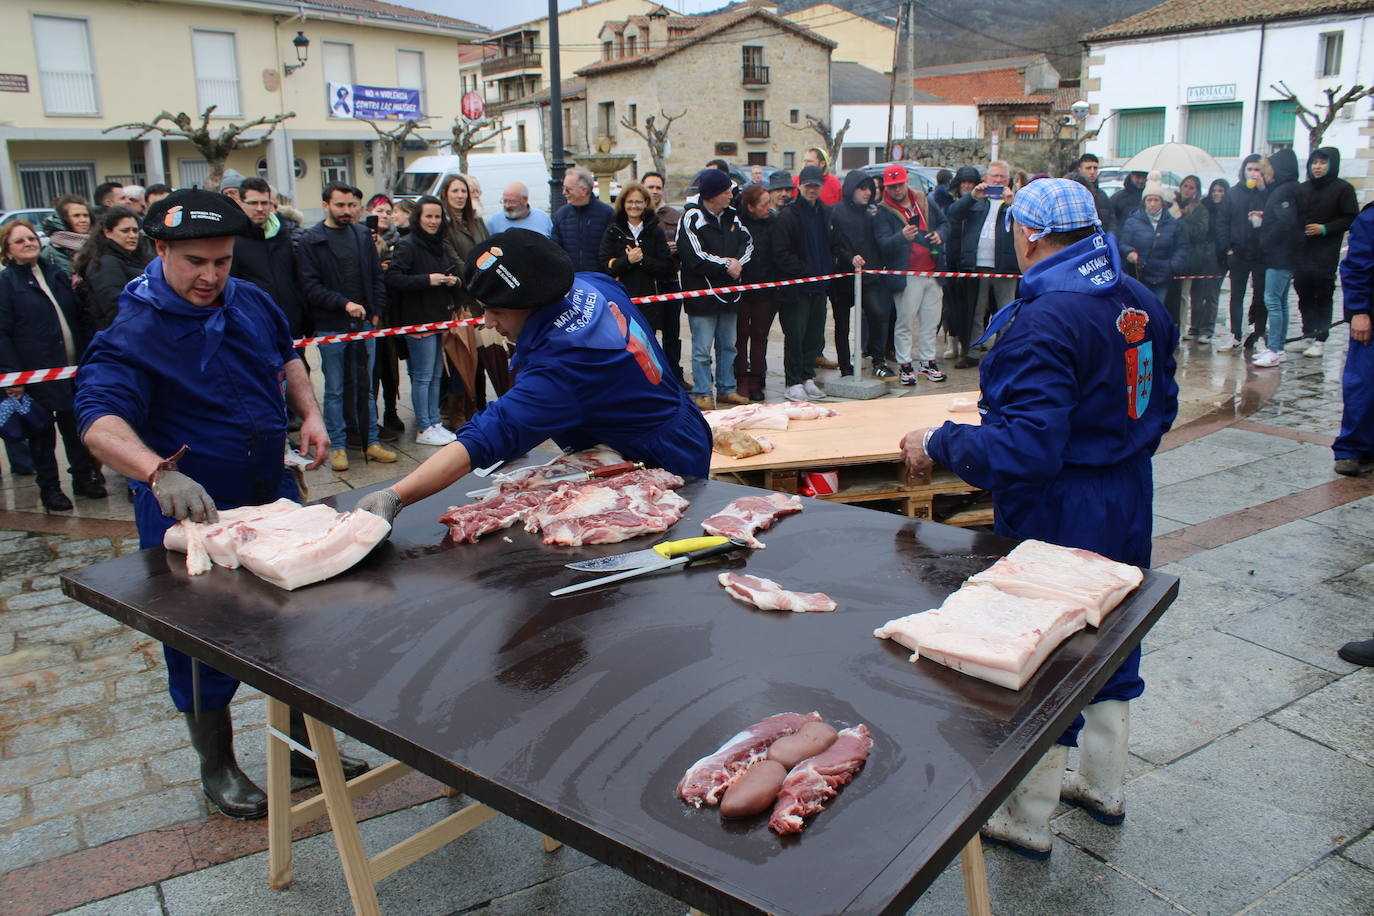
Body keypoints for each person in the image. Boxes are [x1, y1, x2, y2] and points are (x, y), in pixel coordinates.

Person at [900, 178, 1178, 858]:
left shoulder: (1045, 319)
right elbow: (1164, 401)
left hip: (1061, 506)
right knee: (1112, 635)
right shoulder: (1137, 298)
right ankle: (1103, 786)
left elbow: (1025, 450)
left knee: (1044, 649)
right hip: (1127, 489)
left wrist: (939, 442)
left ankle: (1026, 816)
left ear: (1027, 234)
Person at [73, 189, 365, 819]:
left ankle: (300, 749)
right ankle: (218, 764)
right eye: (195, 262)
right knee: (201, 644)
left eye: (222, 261)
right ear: (161, 251)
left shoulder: (250, 298)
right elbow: (98, 422)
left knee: (294, 624)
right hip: (192, 512)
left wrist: (309, 413)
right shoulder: (133, 328)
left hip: (271, 492)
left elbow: (286, 354)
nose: (210, 276)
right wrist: (157, 473)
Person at [356, 229, 712, 524]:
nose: (488, 323)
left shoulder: (566, 368)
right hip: (670, 423)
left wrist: (396, 495)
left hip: (659, 456)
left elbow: (486, 436)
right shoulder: (591, 284)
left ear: (536, 304)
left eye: (497, 312)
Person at [0, 220, 105, 510]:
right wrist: (12, 378)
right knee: (42, 436)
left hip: (70, 369)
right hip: (35, 375)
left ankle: (84, 479)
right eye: (20, 241)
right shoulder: (7, 284)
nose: (29, 243)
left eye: (31, 238)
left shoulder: (55, 274)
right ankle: (50, 489)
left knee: (75, 429)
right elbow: (2, 332)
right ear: (7, 250)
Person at [296, 181, 398, 470]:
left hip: (365, 324)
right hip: (332, 325)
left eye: (352, 205)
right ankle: (338, 445)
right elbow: (310, 286)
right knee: (335, 389)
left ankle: (371, 441)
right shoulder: (311, 239)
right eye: (340, 205)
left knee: (365, 387)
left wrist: (376, 312)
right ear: (326, 204)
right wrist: (343, 303)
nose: (347, 210)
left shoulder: (362, 235)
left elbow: (377, 276)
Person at [386, 195, 461, 446]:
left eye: (437, 216)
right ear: (418, 217)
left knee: (436, 375)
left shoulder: (439, 244)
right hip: (417, 319)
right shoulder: (407, 245)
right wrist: (427, 280)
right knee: (422, 376)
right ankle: (424, 425)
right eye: (428, 216)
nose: (433, 221)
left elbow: (449, 271)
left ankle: (434, 422)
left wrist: (450, 281)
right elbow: (394, 278)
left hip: (437, 317)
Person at [677, 168, 752, 410]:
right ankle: (702, 392)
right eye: (726, 191)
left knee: (729, 345)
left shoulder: (733, 217)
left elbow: (748, 243)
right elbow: (694, 256)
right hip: (703, 295)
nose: (731, 195)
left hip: (730, 294)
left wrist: (738, 263)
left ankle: (727, 388)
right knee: (701, 349)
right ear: (712, 194)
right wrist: (726, 264)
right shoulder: (691, 217)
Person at [876, 164, 949, 385]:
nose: (896, 190)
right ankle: (905, 364)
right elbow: (882, 244)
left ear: (906, 182)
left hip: (932, 270)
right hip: (906, 273)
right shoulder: (882, 211)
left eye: (899, 185)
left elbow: (945, 223)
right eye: (892, 186)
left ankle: (928, 361)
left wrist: (939, 235)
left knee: (930, 321)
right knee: (905, 322)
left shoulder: (924, 200)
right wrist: (902, 236)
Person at [946, 160, 1020, 368]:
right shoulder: (977, 200)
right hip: (976, 265)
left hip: (1005, 265)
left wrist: (1012, 203)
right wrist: (971, 197)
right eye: (994, 176)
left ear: (1008, 179)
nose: (997, 180)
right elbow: (952, 214)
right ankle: (972, 352)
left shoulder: (1016, 200)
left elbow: (1026, 225)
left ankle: (1005, 352)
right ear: (986, 178)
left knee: (1005, 311)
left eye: (1002, 177)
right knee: (976, 312)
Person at [772, 165, 834, 402]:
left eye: (816, 185)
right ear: (800, 186)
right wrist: (802, 270)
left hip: (819, 286)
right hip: (796, 288)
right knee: (795, 335)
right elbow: (780, 252)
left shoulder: (825, 213)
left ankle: (808, 376)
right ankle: (792, 380)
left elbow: (830, 244)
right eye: (808, 185)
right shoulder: (789, 215)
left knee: (814, 335)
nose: (812, 189)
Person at [597, 181, 675, 363]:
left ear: (646, 204)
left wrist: (642, 261)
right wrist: (628, 261)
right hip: (620, 300)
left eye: (638, 202)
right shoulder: (613, 230)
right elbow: (605, 265)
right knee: (623, 345)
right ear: (623, 203)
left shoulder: (655, 231)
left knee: (647, 346)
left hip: (649, 302)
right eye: (630, 202)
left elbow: (667, 267)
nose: (634, 206)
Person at [1292, 147, 1358, 358]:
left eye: (1322, 163)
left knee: (1323, 294)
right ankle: (1308, 334)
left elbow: (1350, 218)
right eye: (1314, 163)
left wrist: (1325, 228)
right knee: (1303, 292)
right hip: (1302, 251)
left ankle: (1321, 337)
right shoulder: (1303, 189)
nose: (1317, 167)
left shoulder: (1343, 189)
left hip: (1326, 252)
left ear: (1331, 165)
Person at [830, 169, 893, 378]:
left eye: (870, 189)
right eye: (862, 188)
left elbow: (879, 241)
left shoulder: (873, 212)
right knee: (842, 323)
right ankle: (845, 366)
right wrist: (849, 257)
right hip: (843, 277)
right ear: (851, 189)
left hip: (869, 275)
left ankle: (878, 360)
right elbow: (835, 243)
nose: (867, 193)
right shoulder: (836, 211)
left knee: (877, 313)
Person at [231, 177, 306, 339]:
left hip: (290, 326)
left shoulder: (283, 234)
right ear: (241, 203)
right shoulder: (232, 241)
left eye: (264, 203)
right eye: (253, 203)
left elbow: (296, 279)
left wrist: (303, 318)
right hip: (255, 328)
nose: (260, 208)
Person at [1252, 150, 1304, 368]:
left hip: (1279, 256)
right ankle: (1279, 347)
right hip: (1285, 255)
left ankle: (1273, 349)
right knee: (1280, 302)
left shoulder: (1283, 191)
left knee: (1272, 300)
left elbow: (1285, 223)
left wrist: (1265, 234)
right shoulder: (1291, 189)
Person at [1334, 201, 1374, 477]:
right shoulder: (1370, 218)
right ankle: (1351, 448)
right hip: (1370, 319)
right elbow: (1356, 266)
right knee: (1363, 384)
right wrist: (1358, 311)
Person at [1219, 155, 1269, 350]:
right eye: (1250, 169)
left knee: (1260, 295)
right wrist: (1228, 248)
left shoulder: (1266, 192)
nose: (1253, 173)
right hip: (1237, 252)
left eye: (1257, 170)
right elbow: (1222, 222)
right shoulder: (1233, 193)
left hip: (1260, 253)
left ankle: (1258, 332)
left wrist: (1263, 189)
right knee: (1236, 295)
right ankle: (1235, 334)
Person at [73, 206, 150, 332]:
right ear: (107, 232)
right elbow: (115, 305)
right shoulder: (105, 263)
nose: (132, 235)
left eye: (135, 231)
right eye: (125, 231)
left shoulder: (135, 257)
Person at [734, 183, 778, 401]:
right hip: (742, 288)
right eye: (764, 204)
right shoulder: (738, 224)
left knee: (760, 335)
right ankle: (741, 379)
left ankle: (757, 380)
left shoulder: (773, 223)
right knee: (740, 336)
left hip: (766, 287)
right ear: (750, 207)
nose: (768, 207)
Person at [641, 170, 685, 384]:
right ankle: (650, 378)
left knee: (672, 334)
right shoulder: (635, 215)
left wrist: (676, 249)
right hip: (645, 285)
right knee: (646, 335)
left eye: (658, 187)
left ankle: (674, 376)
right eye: (651, 187)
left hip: (670, 281)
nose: (655, 191)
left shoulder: (675, 216)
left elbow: (686, 247)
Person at [1117, 173, 1186, 307]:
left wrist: (1172, 266)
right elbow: (1122, 243)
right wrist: (1129, 252)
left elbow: (1181, 248)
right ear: (1144, 201)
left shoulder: (1173, 223)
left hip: (1162, 276)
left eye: (1156, 200)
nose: (1153, 204)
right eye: (1149, 200)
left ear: (1162, 202)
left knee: (1157, 310)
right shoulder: (1133, 221)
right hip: (1140, 275)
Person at [1166, 175, 1211, 340]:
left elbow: (1199, 233)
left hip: (1191, 258)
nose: (1187, 190)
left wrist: (1181, 220)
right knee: (1172, 296)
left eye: (1191, 187)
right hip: (1172, 256)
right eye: (1185, 186)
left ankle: (1183, 329)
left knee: (1185, 296)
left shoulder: (1200, 209)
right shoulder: (1171, 204)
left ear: (1196, 191)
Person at [551, 167, 615, 273]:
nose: (563, 192)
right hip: (571, 280)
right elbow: (555, 250)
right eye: (563, 188)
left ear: (584, 190)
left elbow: (613, 250)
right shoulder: (561, 215)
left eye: (568, 189)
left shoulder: (607, 214)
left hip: (600, 280)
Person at [1195, 179, 1230, 346]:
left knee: (1212, 294)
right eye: (1215, 190)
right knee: (1198, 293)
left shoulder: (1229, 209)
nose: (1217, 194)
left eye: (1221, 190)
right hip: (1202, 255)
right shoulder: (1204, 207)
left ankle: (1207, 329)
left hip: (1219, 257)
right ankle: (1196, 327)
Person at [39, 194, 92, 275]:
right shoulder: (50, 252)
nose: (83, 220)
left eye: (86, 215)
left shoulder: (97, 244)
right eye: (76, 216)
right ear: (64, 219)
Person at [485, 181, 553, 237]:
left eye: (512, 201)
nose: (507, 205)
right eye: (505, 201)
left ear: (525, 199)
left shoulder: (543, 218)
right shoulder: (494, 222)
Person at [1072, 153, 1116, 235]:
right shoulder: (1073, 193)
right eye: (1088, 168)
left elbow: (1111, 220)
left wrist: (1110, 236)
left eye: (1095, 168)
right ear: (1079, 169)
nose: (1092, 172)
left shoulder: (1102, 195)